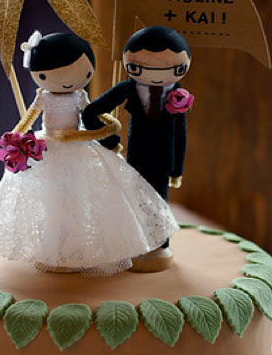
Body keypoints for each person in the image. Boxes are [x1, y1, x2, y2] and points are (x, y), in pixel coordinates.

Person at [0, 30, 178, 275]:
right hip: (49, 150)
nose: (69, 80)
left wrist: (107, 127)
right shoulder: (43, 96)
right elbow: (28, 119)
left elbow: (92, 113)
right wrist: (15, 138)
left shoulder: (80, 95)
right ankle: (55, 252)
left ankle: (79, 251)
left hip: (79, 149)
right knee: (53, 200)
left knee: (82, 198)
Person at [82, 25, 193, 271]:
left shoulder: (179, 94)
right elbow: (91, 112)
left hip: (164, 161)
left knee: (160, 203)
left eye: (172, 68)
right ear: (129, 66)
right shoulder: (128, 89)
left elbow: (180, 135)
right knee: (135, 201)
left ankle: (160, 246)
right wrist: (108, 140)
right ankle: (136, 243)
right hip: (136, 157)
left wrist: (177, 169)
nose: (155, 74)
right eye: (138, 67)